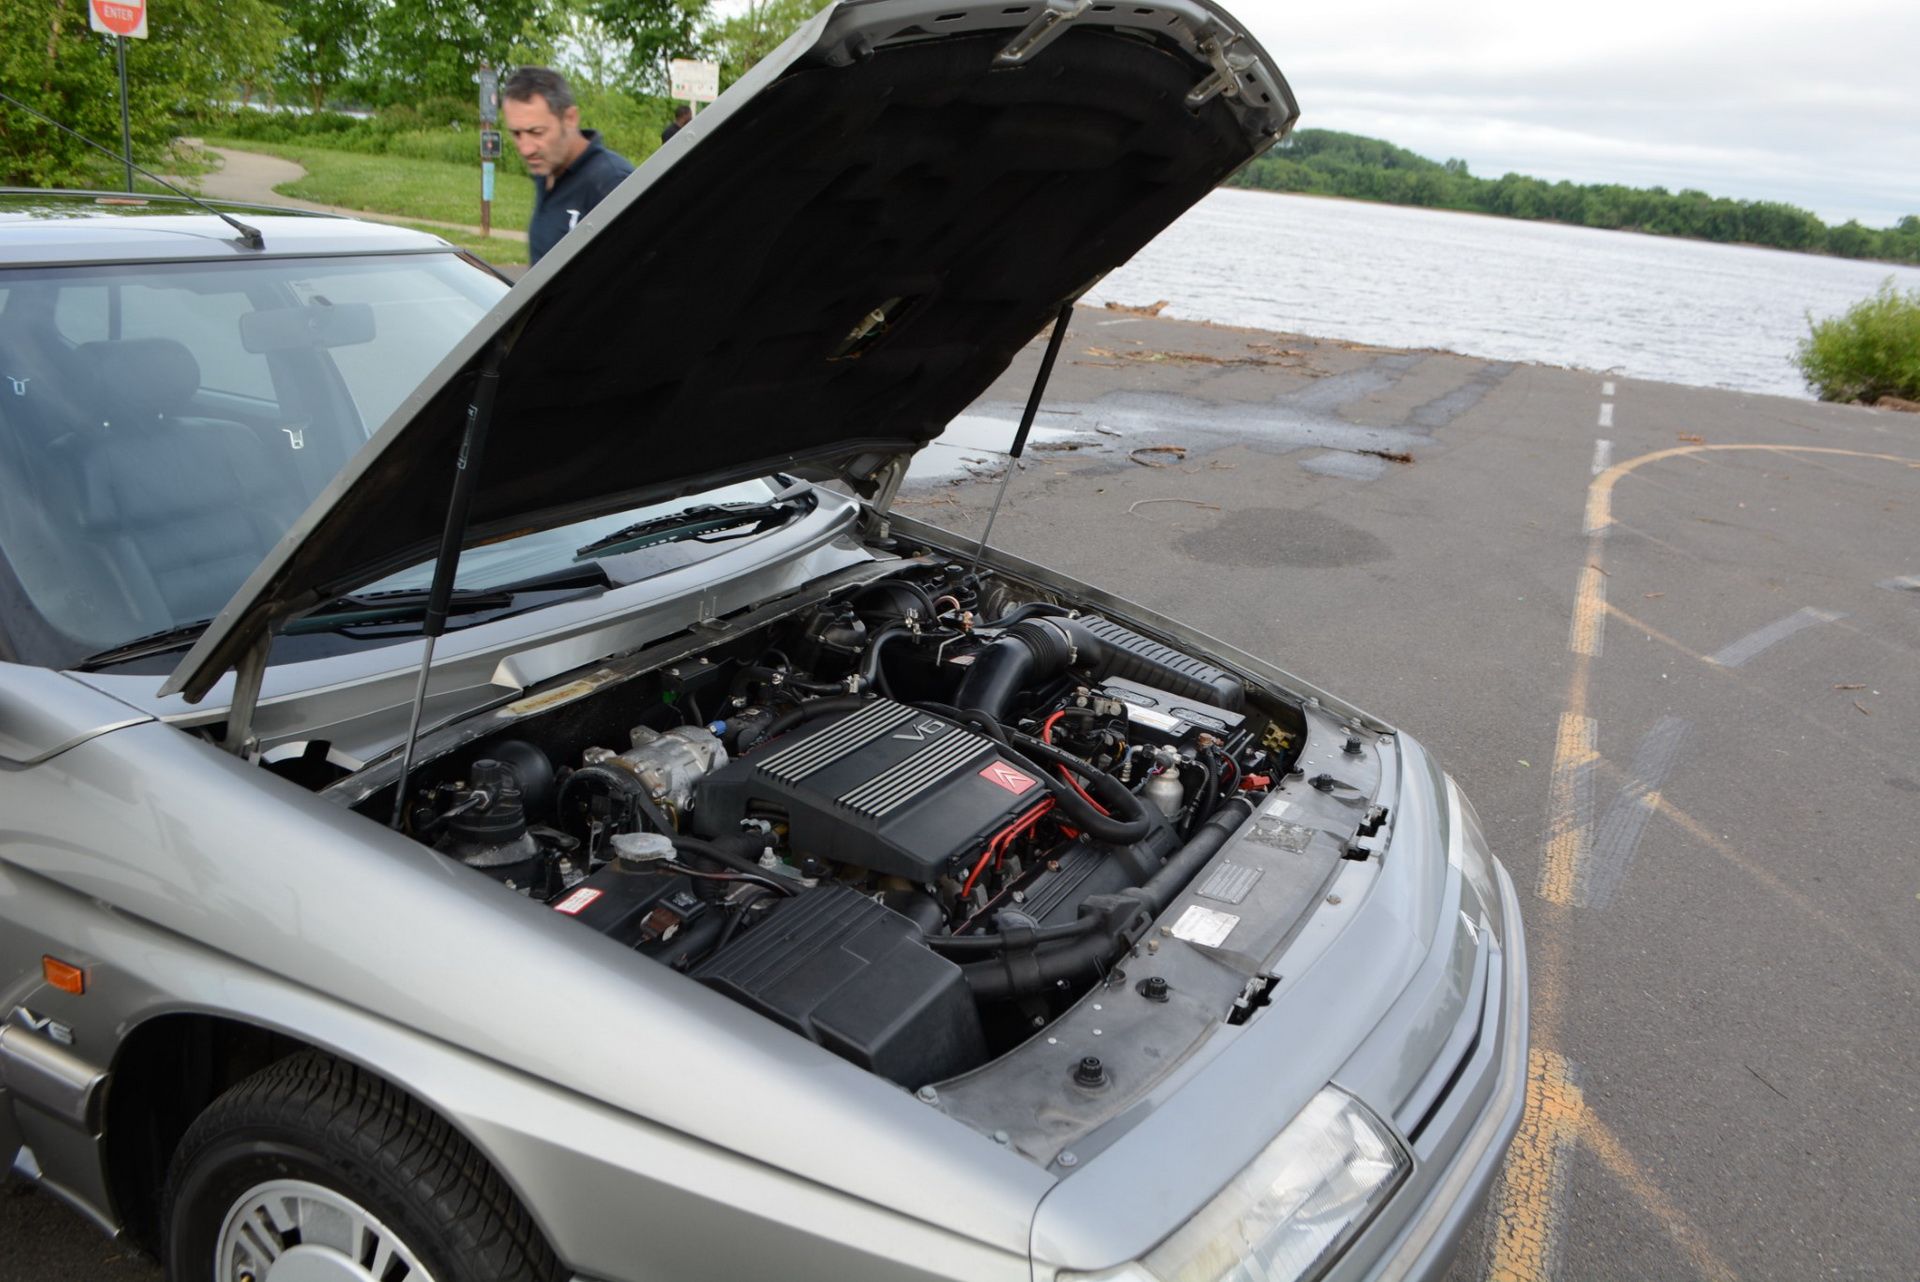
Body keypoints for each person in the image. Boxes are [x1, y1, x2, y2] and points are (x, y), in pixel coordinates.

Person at [501, 67, 634, 266]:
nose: (526, 149)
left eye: (537, 132)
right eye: (517, 134)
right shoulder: (547, 172)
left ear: (570, 118)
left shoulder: (611, 183)